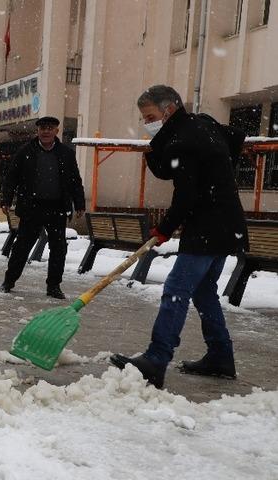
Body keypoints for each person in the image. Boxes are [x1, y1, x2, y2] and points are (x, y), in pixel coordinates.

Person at [110, 85, 248, 389]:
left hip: (208, 226)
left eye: (150, 116)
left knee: (176, 288)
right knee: (203, 291)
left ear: (169, 109)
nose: (148, 123)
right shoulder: (202, 124)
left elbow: (185, 196)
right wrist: (220, 177)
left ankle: (156, 359)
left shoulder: (183, 141)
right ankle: (220, 357)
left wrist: (164, 228)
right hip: (228, 221)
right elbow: (235, 137)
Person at [0, 116, 85, 299]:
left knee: (58, 248)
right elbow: (11, 177)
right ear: (37, 131)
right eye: (42, 128)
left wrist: (79, 204)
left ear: (56, 131)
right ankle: (9, 280)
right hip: (32, 208)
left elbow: (75, 181)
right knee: (22, 247)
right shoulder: (25, 151)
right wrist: (6, 199)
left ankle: (54, 286)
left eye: (50, 128)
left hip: (57, 207)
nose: (46, 131)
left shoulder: (66, 153)